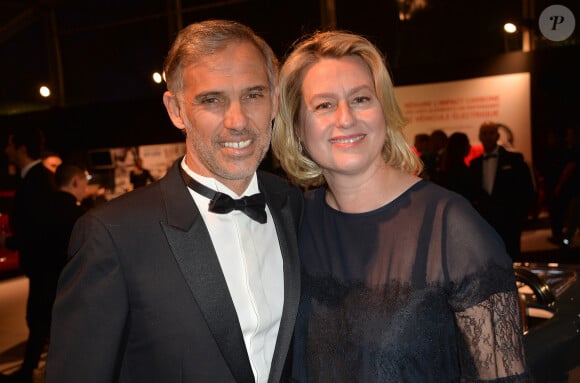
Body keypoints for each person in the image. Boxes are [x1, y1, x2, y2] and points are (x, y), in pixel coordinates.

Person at [45, 19, 302, 383]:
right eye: (211, 100)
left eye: (253, 95)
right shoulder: (112, 237)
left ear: (275, 99)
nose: (238, 120)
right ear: (176, 110)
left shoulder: (293, 205)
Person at [271, 30, 530, 382]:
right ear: (298, 127)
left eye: (361, 99)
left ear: (384, 111)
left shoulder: (451, 227)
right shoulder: (294, 222)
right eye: (324, 105)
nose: (345, 118)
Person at [1, 127, 57, 383]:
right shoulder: (35, 177)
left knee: (39, 319)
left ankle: (30, 371)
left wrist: (11, 241)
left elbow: (38, 226)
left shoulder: (37, 180)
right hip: (42, 266)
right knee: (41, 320)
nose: (6, 150)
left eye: (10, 145)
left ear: (22, 149)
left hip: (45, 266)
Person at [469, 121, 535, 261]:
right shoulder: (474, 165)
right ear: (480, 137)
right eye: (484, 133)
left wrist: (520, 215)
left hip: (509, 220)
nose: (488, 137)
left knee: (512, 258)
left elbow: (526, 188)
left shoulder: (514, 159)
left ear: (498, 135)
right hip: (484, 222)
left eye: (491, 133)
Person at [437, 131, 477, 201]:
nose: (470, 146)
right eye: (467, 143)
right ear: (461, 147)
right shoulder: (464, 172)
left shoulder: (443, 168)